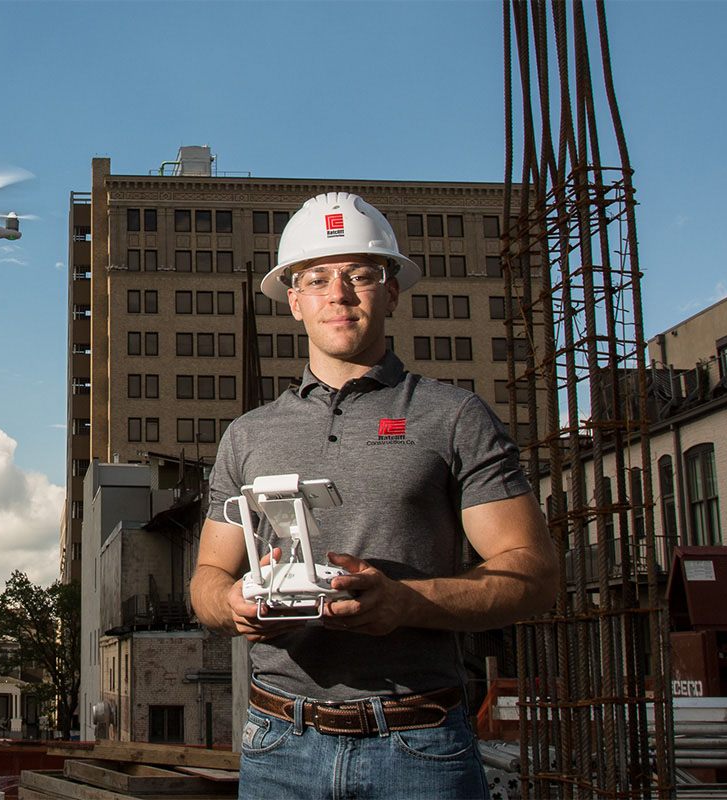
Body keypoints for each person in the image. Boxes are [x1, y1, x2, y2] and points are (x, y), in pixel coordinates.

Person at [190, 192, 558, 799]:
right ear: (294, 299)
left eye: (361, 274)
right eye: (318, 278)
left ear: (391, 290)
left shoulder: (454, 418)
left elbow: (535, 575)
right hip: (279, 743)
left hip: (419, 745)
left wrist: (405, 604)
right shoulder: (248, 435)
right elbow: (207, 574)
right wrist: (232, 604)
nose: (339, 292)